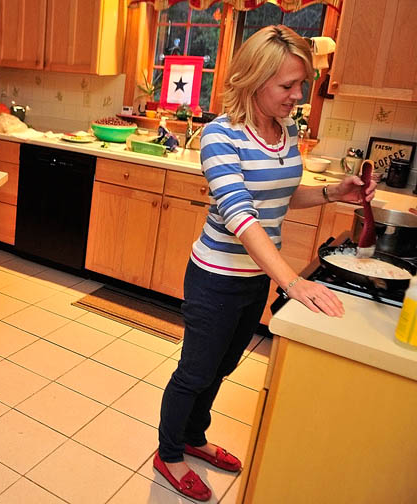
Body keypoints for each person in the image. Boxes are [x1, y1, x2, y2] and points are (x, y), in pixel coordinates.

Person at [153, 26, 376, 501]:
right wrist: (292, 281)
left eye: (302, 86)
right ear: (253, 79)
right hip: (215, 277)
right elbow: (239, 212)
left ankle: (194, 437)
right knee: (195, 370)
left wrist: (334, 193)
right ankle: (169, 451)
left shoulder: (286, 130)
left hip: (255, 278)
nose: (297, 97)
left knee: (223, 366)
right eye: (287, 86)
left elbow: (281, 195)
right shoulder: (220, 134)